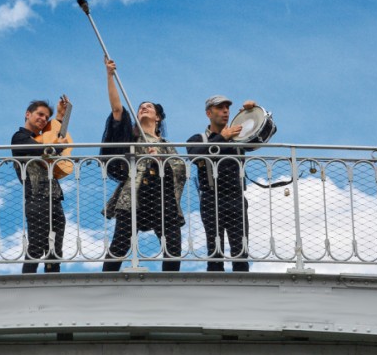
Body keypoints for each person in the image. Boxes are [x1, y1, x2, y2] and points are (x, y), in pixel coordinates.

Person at [100, 57, 186, 272]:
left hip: (162, 197)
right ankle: (106, 280)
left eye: (148, 107)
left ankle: (170, 284)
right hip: (135, 194)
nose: (143, 109)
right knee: (120, 242)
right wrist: (110, 76)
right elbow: (117, 111)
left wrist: (161, 160)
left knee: (173, 245)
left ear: (157, 118)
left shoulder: (166, 145)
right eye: (140, 108)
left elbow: (180, 169)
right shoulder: (131, 140)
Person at [186, 95, 258, 272]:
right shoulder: (198, 138)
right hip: (211, 198)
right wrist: (222, 137)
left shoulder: (240, 137)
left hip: (236, 197)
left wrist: (252, 114)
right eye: (220, 108)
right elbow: (195, 155)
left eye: (227, 108)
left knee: (240, 253)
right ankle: (214, 290)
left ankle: (243, 291)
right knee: (214, 252)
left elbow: (264, 135)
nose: (225, 111)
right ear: (209, 113)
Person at [11, 98, 69, 274]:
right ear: (28, 114)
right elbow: (42, 148)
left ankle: (53, 286)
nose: (43, 119)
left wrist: (59, 116)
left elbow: (53, 136)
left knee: (55, 252)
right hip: (36, 198)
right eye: (40, 114)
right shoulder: (19, 137)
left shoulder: (40, 138)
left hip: (54, 199)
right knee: (36, 246)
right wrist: (57, 148)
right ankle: (27, 286)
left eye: (46, 116)